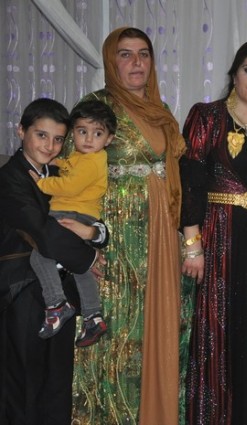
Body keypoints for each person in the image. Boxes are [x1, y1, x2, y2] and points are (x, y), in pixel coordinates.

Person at [71, 27, 192, 425]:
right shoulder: (95, 107)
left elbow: (175, 171)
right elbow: (73, 177)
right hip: (115, 235)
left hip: (162, 231)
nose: (137, 62)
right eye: (125, 54)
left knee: (161, 321)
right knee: (119, 326)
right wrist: (81, 245)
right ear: (111, 61)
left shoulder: (161, 109)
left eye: (144, 54)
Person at [180, 40, 247, 424]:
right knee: (216, 324)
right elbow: (190, 181)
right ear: (234, 74)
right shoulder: (206, 116)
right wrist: (192, 244)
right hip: (216, 233)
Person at [0, 98, 108, 425]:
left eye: (58, 139)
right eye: (41, 135)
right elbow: (42, 232)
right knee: (25, 383)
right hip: (23, 290)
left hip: (62, 292)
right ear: (21, 131)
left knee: (58, 382)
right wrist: (88, 257)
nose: (50, 146)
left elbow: (88, 211)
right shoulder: (10, 178)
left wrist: (95, 233)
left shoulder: (63, 171)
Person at [29, 100, 116, 347]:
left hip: (71, 214)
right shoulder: (87, 157)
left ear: (109, 139)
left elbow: (70, 185)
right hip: (80, 214)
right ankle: (93, 316)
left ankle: (56, 302)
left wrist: (41, 183)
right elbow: (73, 169)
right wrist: (60, 163)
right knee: (79, 266)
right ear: (73, 133)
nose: (88, 139)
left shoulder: (92, 161)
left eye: (97, 134)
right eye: (82, 131)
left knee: (39, 255)